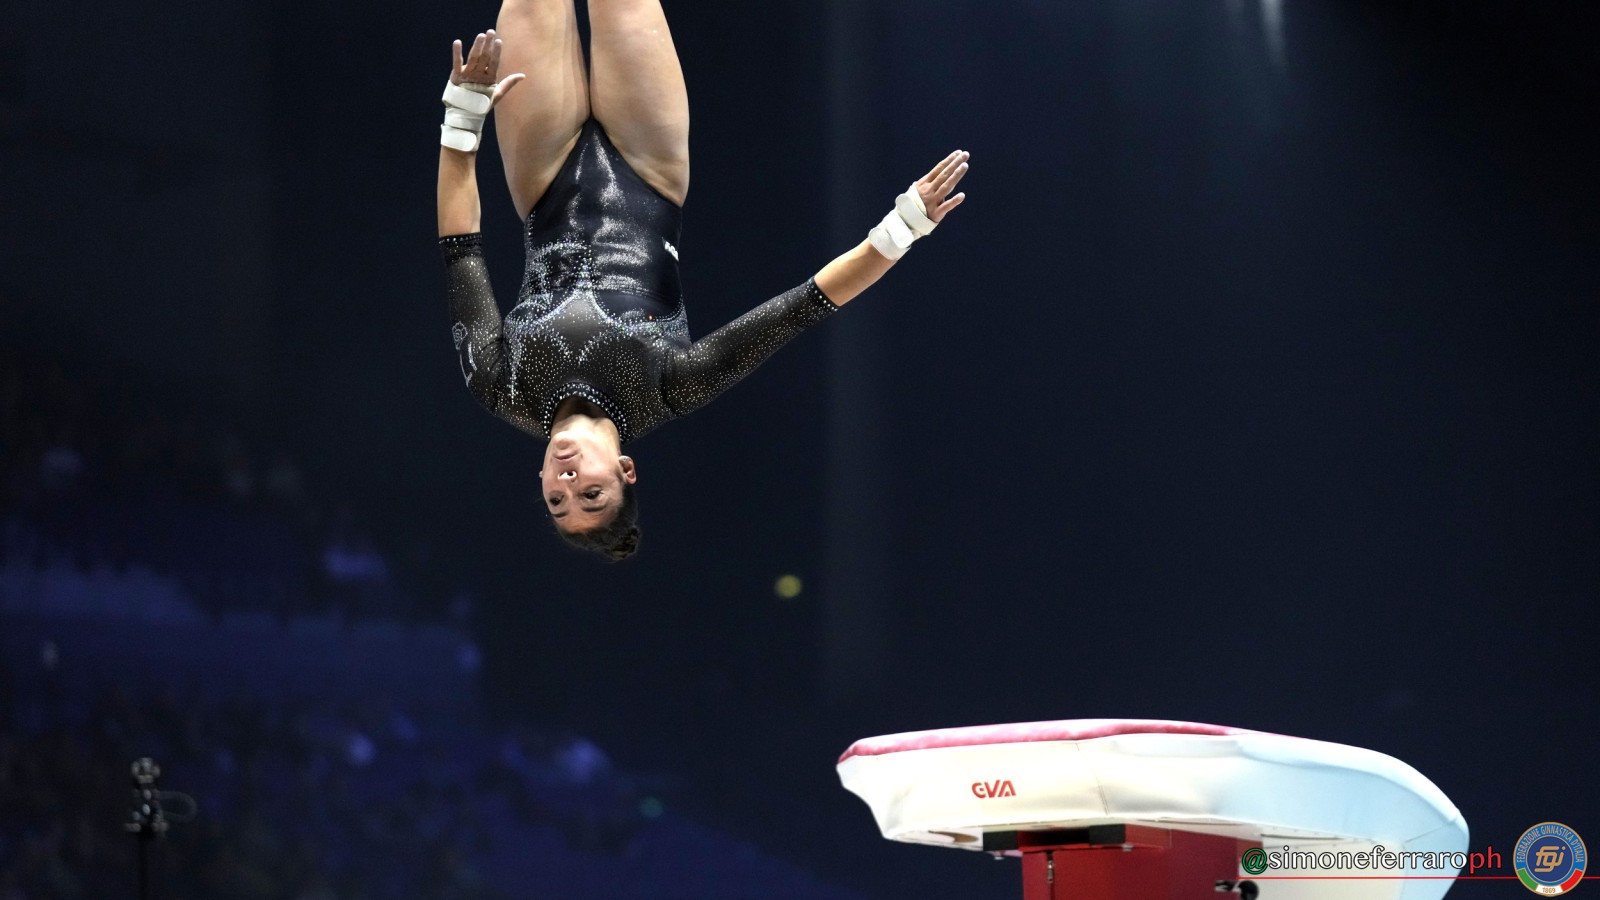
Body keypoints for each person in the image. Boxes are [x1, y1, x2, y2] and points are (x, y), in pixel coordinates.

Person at [436, 3, 969, 561]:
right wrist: (904, 227)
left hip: (541, 176)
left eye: (556, 500)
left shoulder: (501, 388)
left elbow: (460, 245)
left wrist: (464, 116)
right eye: (591, 494)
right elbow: (806, 305)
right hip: (648, 165)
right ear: (626, 470)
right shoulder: (668, 388)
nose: (567, 483)